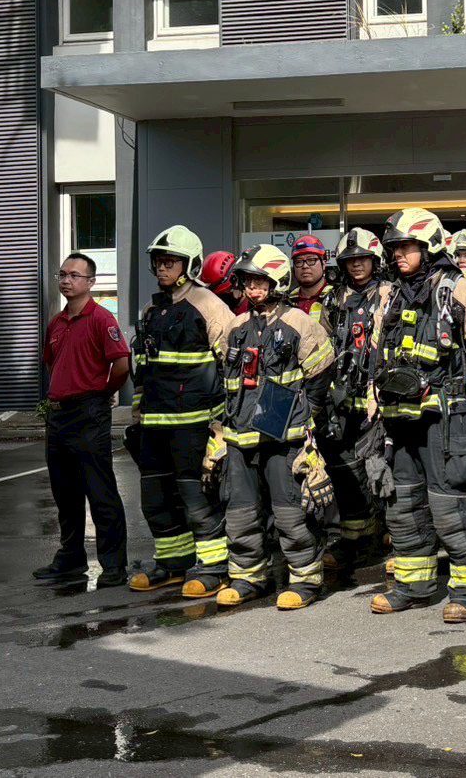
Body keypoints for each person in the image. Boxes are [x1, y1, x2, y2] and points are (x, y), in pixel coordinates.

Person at [370, 209, 466, 622]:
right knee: (403, 503)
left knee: (451, 504)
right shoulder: (389, 295)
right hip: (400, 419)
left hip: (446, 419)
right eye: (394, 249)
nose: (398, 256)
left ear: (429, 247)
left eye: (406, 247)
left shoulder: (460, 291)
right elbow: (377, 351)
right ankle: (413, 585)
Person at [211, 245, 337, 609]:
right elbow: (227, 379)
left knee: (290, 511)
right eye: (248, 281)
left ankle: (305, 579)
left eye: (260, 281)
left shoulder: (299, 322)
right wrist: (220, 433)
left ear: (277, 281)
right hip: (239, 435)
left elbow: (321, 373)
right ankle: (249, 577)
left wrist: (302, 414)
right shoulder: (236, 327)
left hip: (283, 435)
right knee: (240, 511)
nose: (253, 288)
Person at [127, 226, 234, 598]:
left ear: (189, 265)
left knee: (197, 497)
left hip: (195, 424)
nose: (161, 268)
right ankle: (172, 563)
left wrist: (221, 426)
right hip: (155, 424)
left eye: (169, 261)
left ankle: (213, 567)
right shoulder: (152, 309)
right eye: (158, 261)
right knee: (155, 497)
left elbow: (231, 365)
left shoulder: (208, 305)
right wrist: (138, 413)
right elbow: (142, 365)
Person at [33, 253, 131, 586]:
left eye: (74, 275)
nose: (66, 280)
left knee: (100, 491)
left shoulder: (101, 319)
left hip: (89, 413)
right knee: (65, 493)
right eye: (62, 274)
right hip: (59, 416)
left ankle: (114, 565)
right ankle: (71, 559)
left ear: (91, 282)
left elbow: (121, 366)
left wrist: (101, 394)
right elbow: (51, 364)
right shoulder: (56, 324)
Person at [320, 227, 395, 572]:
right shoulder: (331, 300)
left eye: (362, 259)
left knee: (383, 470)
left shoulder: (390, 295)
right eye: (350, 261)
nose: (356, 266)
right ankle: (356, 540)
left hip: (379, 396)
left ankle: (394, 536)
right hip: (342, 401)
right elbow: (321, 348)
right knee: (346, 472)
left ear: (375, 260)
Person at [288, 235, 331, 321]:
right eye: (299, 262)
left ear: (324, 264)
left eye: (311, 260)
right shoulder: (287, 301)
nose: (305, 266)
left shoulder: (336, 297)